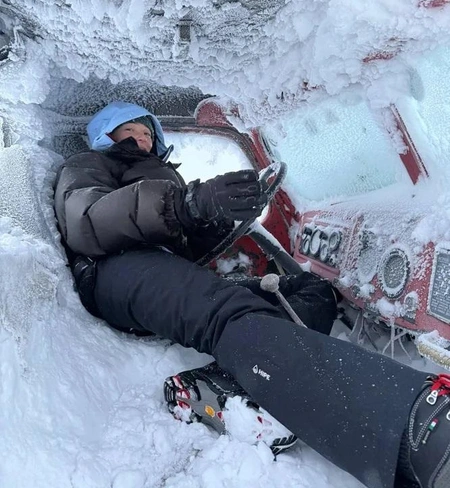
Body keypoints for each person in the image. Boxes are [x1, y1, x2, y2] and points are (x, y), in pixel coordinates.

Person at [54, 100, 450, 488]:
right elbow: (87, 222)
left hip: (166, 271)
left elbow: (187, 245)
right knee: (227, 311)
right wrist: (186, 204)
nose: (142, 140)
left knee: (309, 289)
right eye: (130, 132)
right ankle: (411, 430)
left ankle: (230, 385)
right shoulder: (89, 165)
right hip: (114, 271)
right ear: (106, 136)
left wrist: (221, 215)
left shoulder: (163, 176)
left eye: (146, 132)